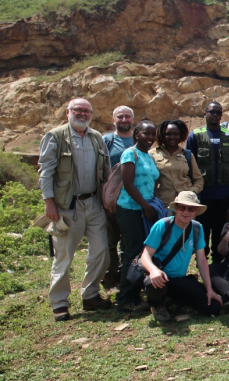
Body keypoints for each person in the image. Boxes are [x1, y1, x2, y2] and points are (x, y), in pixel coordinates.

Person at [38, 98, 112, 321]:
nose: (82, 114)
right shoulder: (56, 136)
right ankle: (60, 303)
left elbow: (106, 169)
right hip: (67, 207)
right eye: (78, 110)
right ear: (68, 112)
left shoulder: (96, 137)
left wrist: (107, 199)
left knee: (101, 251)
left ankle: (90, 295)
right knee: (64, 256)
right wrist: (49, 202)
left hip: (94, 204)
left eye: (86, 111)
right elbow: (46, 171)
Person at [141, 191, 222, 322]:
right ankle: (157, 304)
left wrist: (209, 289)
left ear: (196, 211)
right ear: (176, 208)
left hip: (179, 280)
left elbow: (201, 260)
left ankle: (171, 299)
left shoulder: (197, 228)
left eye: (191, 208)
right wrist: (153, 270)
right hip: (161, 277)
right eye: (182, 207)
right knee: (152, 282)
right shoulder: (163, 225)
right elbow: (145, 255)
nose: (186, 212)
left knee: (213, 307)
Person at [186, 101, 229, 259]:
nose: (216, 115)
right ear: (205, 113)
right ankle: (202, 262)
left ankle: (218, 264)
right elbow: (188, 165)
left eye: (219, 113)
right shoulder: (195, 135)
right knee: (202, 231)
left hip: (225, 195)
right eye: (212, 112)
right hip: (203, 195)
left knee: (221, 230)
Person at [115, 119, 161, 313]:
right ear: (136, 135)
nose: (150, 137)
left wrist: (154, 204)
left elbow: (154, 182)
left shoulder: (148, 156)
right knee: (132, 252)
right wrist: (145, 206)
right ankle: (125, 298)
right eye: (146, 134)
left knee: (142, 251)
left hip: (146, 210)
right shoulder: (130, 153)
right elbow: (128, 184)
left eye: (152, 134)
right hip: (130, 210)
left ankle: (136, 291)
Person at [101, 105, 134, 289]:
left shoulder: (139, 139)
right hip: (111, 202)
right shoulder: (107, 140)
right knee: (110, 241)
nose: (124, 120)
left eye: (127, 117)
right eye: (120, 117)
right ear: (113, 120)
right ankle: (111, 274)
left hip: (132, 201)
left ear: (132, 120)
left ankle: (125, 276)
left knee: (128, 242)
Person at [152, 119, 204, 207]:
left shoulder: (187, 155)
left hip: (186, 204)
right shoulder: (152, 154)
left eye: (176, 134)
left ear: (181, 135)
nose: (172, 137)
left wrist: (191, 191)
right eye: (168, 134)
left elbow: (199, 180)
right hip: (163, 204)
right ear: (162, 135)